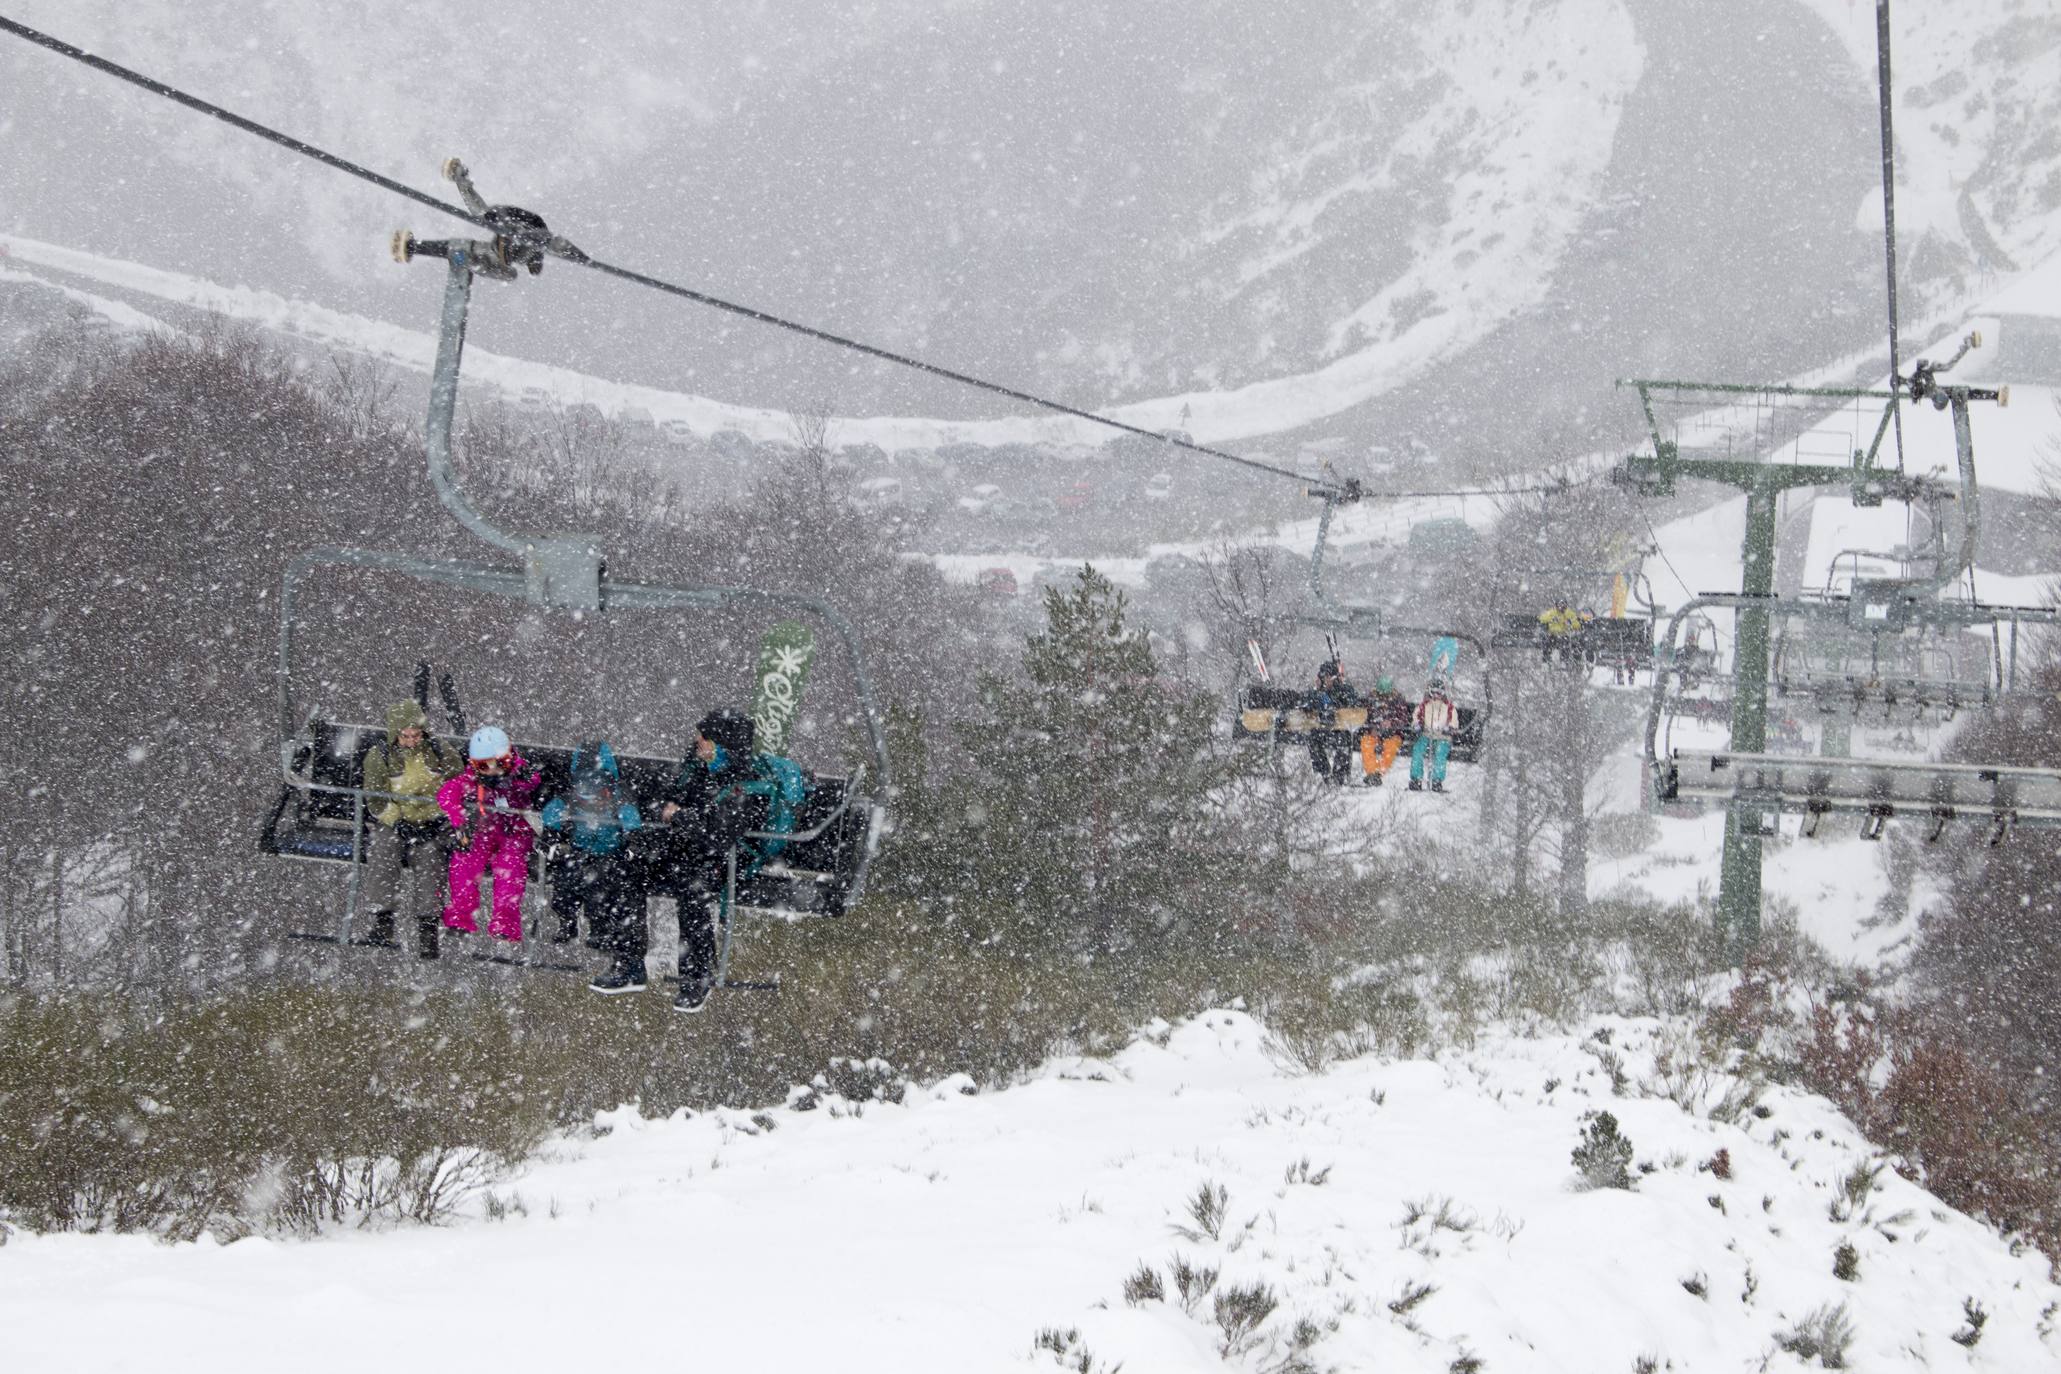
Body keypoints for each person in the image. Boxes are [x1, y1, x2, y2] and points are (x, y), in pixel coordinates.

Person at [600, 709, 757, 1010]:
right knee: (626, 867)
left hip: (716, 862)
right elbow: (669, 794)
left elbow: (719, 833)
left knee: (692, 893)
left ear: (721, 744)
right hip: (677, 848)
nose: (697, 741)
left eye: (704, 738)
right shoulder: (696, 766)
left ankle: (696, 976)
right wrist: (668, 811)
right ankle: (630, 963)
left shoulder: (744, 782)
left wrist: (681, 815)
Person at [359, 699, 464, 957]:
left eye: (416, 735)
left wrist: (441, 816)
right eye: (405, 736)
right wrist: (398, 821)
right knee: (384, 850)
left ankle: (428, 928)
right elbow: (375, 799)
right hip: (395, 820)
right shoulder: (380, 757)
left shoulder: (440, 752)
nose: (411, 741)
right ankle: (383, 921)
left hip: (432, 821)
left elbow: (459, 786)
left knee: (430, 858)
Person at [436, 725, 543, 943]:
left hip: (513, 833)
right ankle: (460, 917)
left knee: (511, 868)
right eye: (485, 766)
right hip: (482, 831)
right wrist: (459, 819)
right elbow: (447, 794)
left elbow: (536, 784)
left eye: (500, 764)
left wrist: (521, 779)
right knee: (464, 862)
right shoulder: (471, 782)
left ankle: (505, 923)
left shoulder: (518, 777)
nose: (493, 771)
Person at [539, 740, 644, 953]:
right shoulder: (570, 800)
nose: (591, 801)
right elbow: (553, 811)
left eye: (599, 794)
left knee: (599, 886)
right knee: (565, 882)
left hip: (610, 854)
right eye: (584, 793)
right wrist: (550, 836)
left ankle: (599, 928)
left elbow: (631, 821)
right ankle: (567, 920)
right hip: (580, 850)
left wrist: (633, 842)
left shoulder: (619, 800)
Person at [1306, 659, 1360, 785]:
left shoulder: (1344, 689)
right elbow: (1307, 705)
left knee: (1344, 741)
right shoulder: (1318, 692)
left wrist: (1334, 704)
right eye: (1324, 678)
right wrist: (1316, 692)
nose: (1326, 681)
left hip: (1341, 729)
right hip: (1324, 729)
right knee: (1313, 738)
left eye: (1328, 677)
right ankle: (1323, 772)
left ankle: (1339, 774)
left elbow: (1353, 704)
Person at [1358, 675, 1412, 787]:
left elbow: (1404, 719)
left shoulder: (1398, 701)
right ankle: (1372, 772)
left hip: (1393, 734)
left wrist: (1392, 723)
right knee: (1366, 743)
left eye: (1386, 695)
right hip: (1375, 732)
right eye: (1381, 695)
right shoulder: (1372, 699)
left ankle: (1378, 773)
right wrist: (1372, 727)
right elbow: (1366, 717)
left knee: (1390, 748)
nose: (1383, 698)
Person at [1408, 678, 1460, 793]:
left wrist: (1450, 728)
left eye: (1439, 692)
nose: (1437, 695)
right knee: (1418, 749)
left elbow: (1454, 721)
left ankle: (1437, 780)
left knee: (1440, 752)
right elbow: (1415, 717)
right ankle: (1416, 779)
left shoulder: (1449, 707)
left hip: (1442, 736)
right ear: (1430, 692)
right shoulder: (1424, 705)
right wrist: (1417, 725)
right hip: (1427, 733)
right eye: (1434, 692)